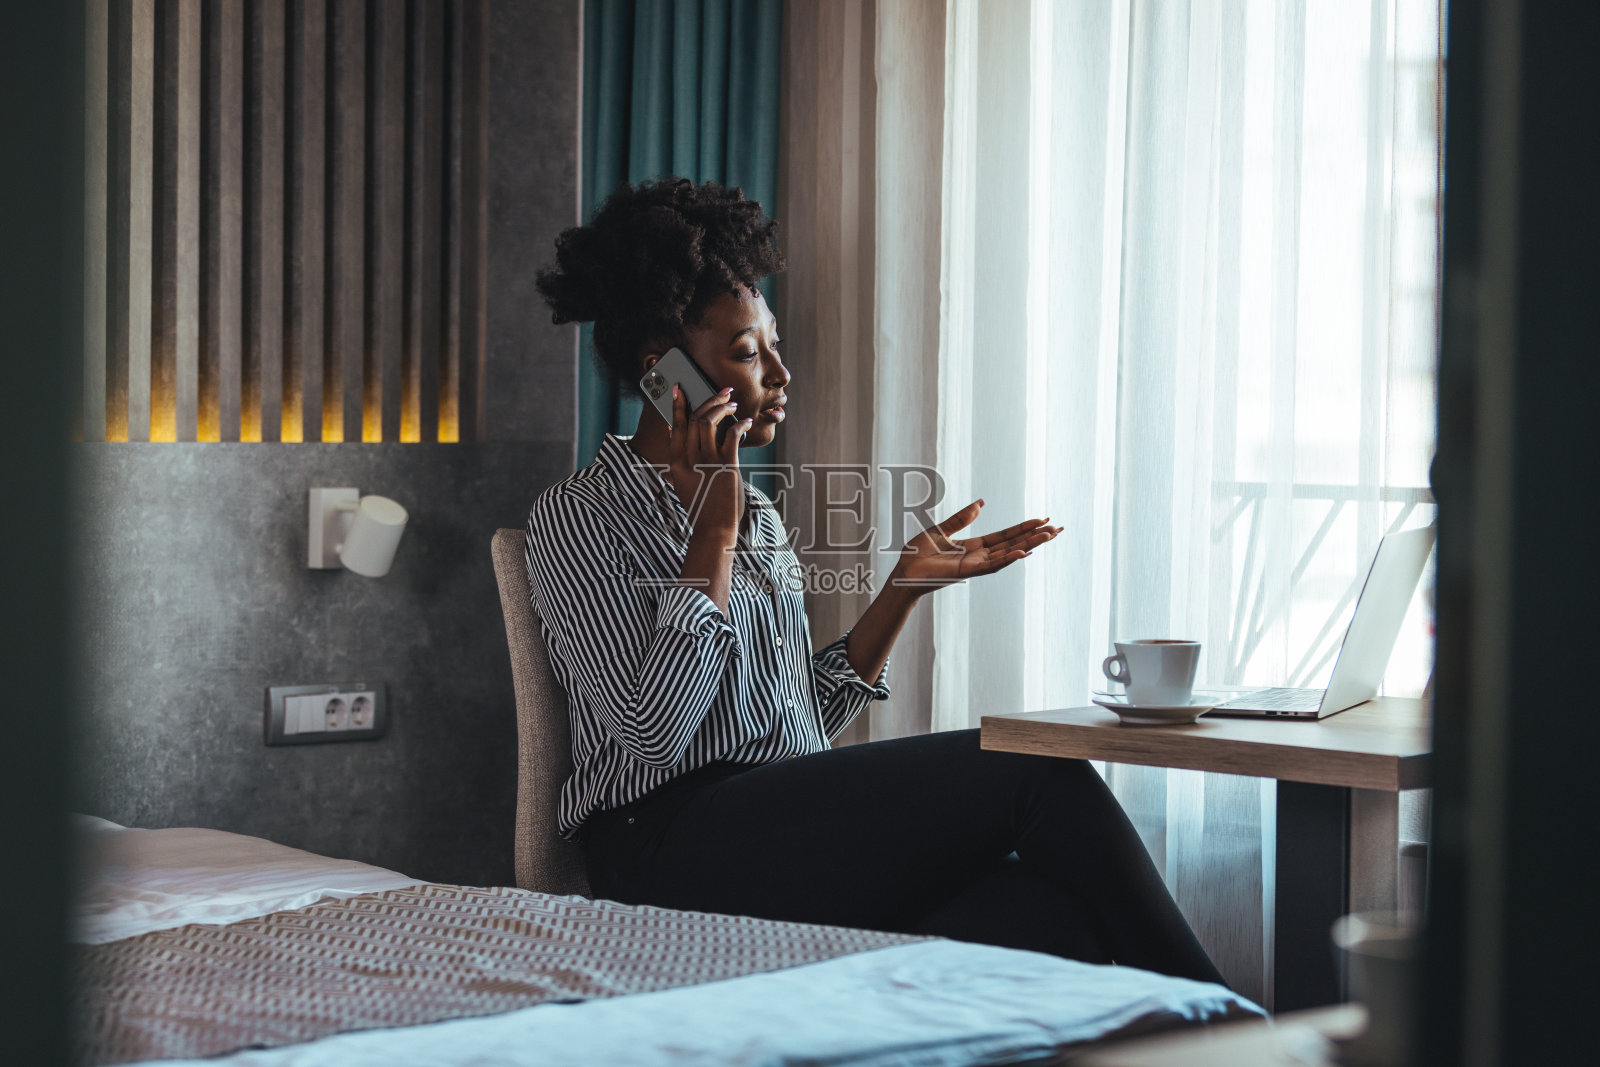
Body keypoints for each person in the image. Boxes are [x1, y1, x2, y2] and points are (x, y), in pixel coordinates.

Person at [525, 178, 1225, 985]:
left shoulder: (757, 512)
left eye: (773, 345)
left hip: (775, 818)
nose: (782, 372)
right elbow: (655, 731)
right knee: (1038, 769)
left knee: (1044, 912)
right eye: (750, 352)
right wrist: (711, 529)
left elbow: (791, 720)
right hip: (664, 850)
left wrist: (902, 593)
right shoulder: (581, 514)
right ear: (664, 372)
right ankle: (1247, 1036)